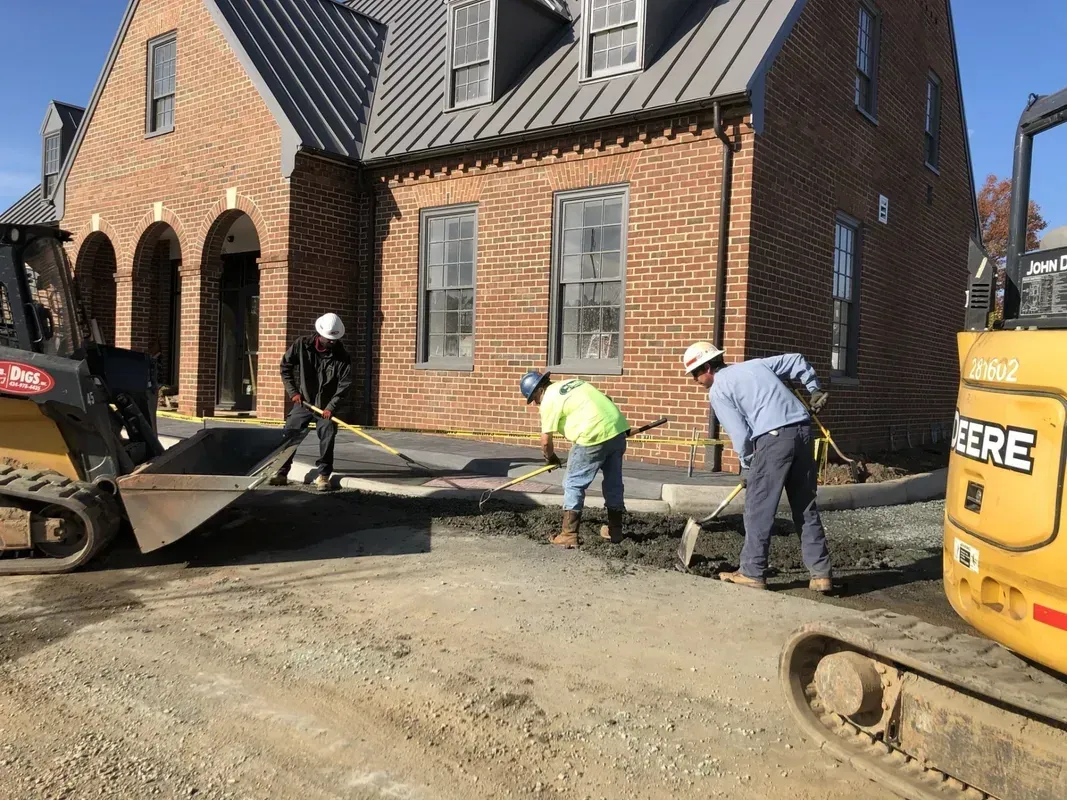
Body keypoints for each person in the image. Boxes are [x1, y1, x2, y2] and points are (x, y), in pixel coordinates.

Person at [682, 341, 833, 592]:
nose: (695, 380)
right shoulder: (756, 365)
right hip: (803, 432)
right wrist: (813, 389)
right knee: (805, 506)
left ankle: (752, 572)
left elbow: (740, 436)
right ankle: (821, 575)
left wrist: (748, 465)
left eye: (695, 374)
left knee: (757, 508)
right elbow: (796, 358)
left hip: (773, 439)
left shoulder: (718, 390)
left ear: (707, 367)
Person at [520, 371, 630, 548]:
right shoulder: (573, 383)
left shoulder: (548, 400)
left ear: (540, 390)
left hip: (591, 435)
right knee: (613, 482)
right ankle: (615, 530)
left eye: (534, 399)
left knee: (573, 483)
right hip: (617, 430)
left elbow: (545, 441)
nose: (535, 404)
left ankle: (569, 534)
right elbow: (606, 398)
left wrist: (551, 459)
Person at [269, 313, 353, 491]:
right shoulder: (302, 345)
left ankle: (323, 475)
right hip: (304, 402)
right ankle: (281, 472)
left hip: (327, 406)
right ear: (320, 334)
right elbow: (285, 367)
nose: (332, 342)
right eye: (329, 339)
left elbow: (345, 385)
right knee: (290, 432)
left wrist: (331, 407)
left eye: (335, 339)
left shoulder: (342, 356)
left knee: (328, 435)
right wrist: (293, 392)